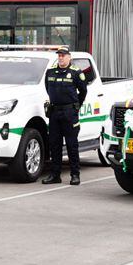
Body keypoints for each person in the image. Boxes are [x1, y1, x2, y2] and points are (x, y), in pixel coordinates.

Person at [43, 47, 88, 185]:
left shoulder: (76, 73)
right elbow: (47, 88)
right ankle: (55, 175)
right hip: (55, 113)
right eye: (59, 55)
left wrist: (75, 107)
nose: (61, 57)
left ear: (69, 57)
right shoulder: (50, 72)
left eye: (63, 55)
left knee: (71, 145)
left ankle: (75, 175)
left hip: (69, 114)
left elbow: (83, 91)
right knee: (54, 145)